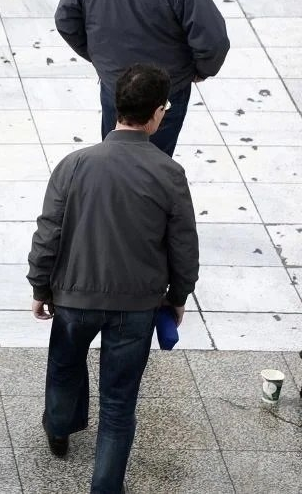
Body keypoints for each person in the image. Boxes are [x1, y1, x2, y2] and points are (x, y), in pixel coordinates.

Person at [27, 64, 199, 494]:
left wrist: (40, 285)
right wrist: (178, 295)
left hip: (74, 296)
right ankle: (105, 487)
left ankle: (60, 427)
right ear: (158, 113)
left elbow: (49, 231)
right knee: (119, 405)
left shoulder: (75, 164)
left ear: (116, 105)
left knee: (65, 366)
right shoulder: (168, 173)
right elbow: (183, 244)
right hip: (137, 306)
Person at [54, 0, 228, 158]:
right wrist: (200, 71)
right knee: (154, 167)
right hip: (164, 95)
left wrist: (101, 59)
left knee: (114, 160)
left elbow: (66, 19)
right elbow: (213, 41)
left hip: (114, 86)